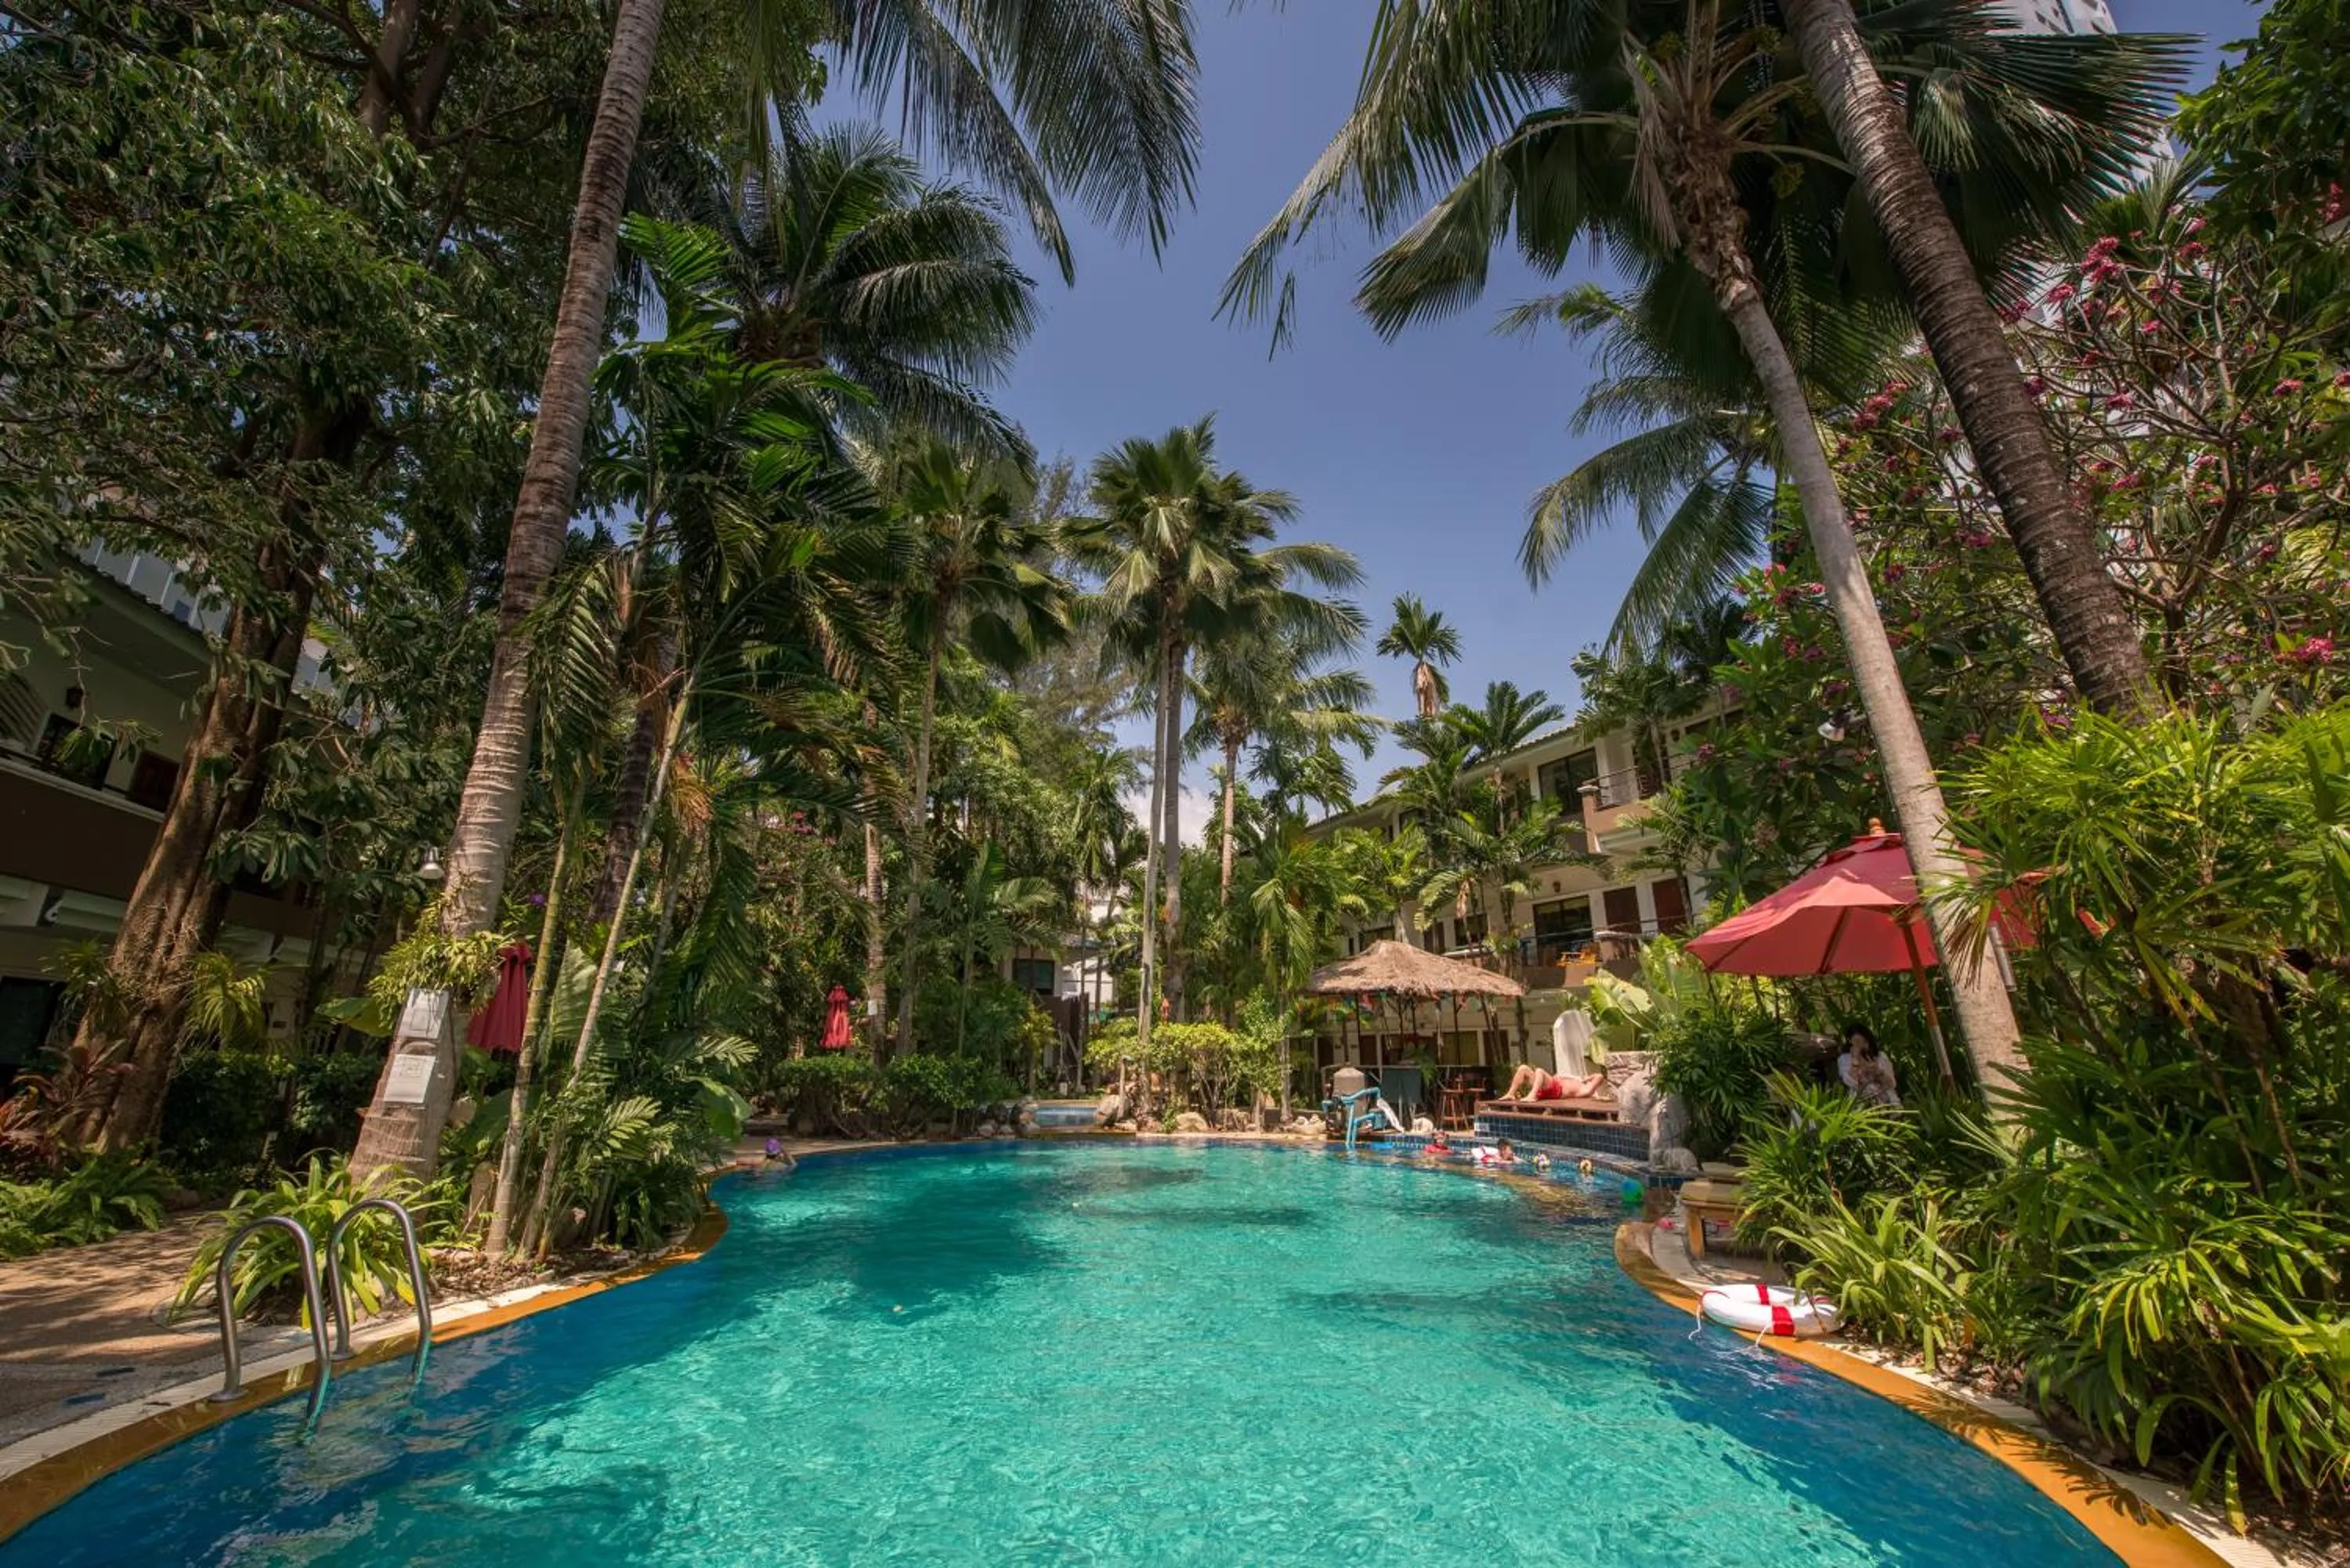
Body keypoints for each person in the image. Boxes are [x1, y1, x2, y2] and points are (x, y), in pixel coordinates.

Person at [1837, 1024, 1901, 1108]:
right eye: (1857, 1042)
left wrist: (1877, 1071)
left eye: (1864, 1042)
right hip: (1861, 1104)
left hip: (1887, 1101)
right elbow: (1850, 1083)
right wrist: (1855, 1060)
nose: (1861, 1045)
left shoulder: (1881, 1057)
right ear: (1850, 1041)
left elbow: (1891, 1084)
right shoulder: (1844, 1059)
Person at [1501, 1062, 1607, 1102]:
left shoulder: (1587, 1090)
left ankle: (1532, 1096)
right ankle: (1511, 1094)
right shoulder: (1579, 1081)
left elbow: (1600, 1076)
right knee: (1523, 1068)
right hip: (1548, 1088)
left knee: (1539, 1071)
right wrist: (1583, 1079)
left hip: (1556, 1092)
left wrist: (1587, 1079)